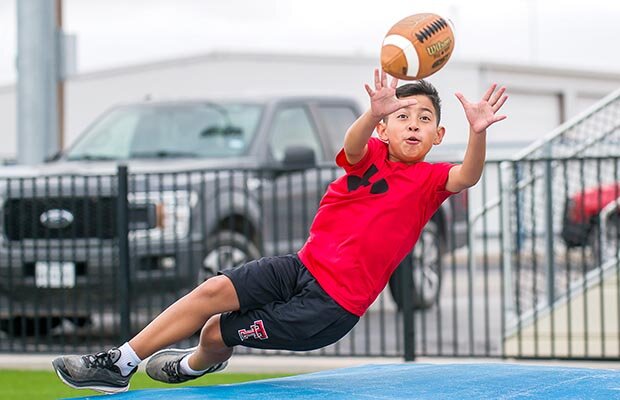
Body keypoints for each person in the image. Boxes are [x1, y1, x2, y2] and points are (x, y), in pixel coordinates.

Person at [52, 69, 508, 393]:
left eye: (425, 119)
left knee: (215, 333)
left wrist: (479, 132)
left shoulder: (430, 181)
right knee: (212, 291)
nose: (414, 123)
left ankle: (193, 368)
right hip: (298, 268)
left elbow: (467, 176)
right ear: (384, 129)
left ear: (438, 134)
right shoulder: (368, 151)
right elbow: (350, 144)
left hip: (328, 308)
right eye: (403, 115)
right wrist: (371, 113)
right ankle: (120, 363)